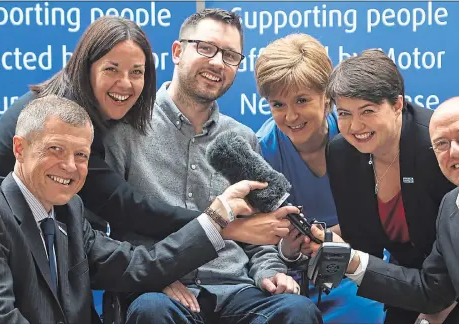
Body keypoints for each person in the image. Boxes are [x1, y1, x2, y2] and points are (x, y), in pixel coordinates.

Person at [0, 16, 288, 247]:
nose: (125, 84)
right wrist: (225, 223)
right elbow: (127, 207)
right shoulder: (65, 119)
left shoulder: (108, 116)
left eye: (136, 72)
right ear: (86, 67)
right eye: (111, 69)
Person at [104, 9, 322, 324]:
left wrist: (270, 273)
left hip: (237, 291)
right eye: (206, 48)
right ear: (177, 52)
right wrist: (149, 277)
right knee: (152, 312)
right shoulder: (125, 130)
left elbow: (260, 235)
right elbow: (104, 233)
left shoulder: (242, 138)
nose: (218, 62)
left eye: (231, 56)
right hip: (161, 291)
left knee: (298, 312)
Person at [0, 95, 280, 324]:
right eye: (55, 149)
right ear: (19, 148)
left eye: (81, 155)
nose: (69, 166)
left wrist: (217, 217)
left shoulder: (70, 212)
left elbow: (138, 265)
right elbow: (0, 317)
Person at [306, 96, 459, 324]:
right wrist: (351, 260)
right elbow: (431, 291)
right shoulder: (450, 207)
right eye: (442, 143)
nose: (455, 151)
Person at [323, 49, 459, 323]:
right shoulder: (342, 153)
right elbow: (364, 247)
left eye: (368, 111)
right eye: (344, 113)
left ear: (398, 104)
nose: (355, 126)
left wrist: (444, 305)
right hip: (409, 280)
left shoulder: (436, 146)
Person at [254, 33, 384, 323]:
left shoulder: (358, 137)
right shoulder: (262, 150)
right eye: (278, 104)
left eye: (301, 100)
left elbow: (384, 222)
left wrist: (332, 237)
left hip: (357, 268)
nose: (290, 116)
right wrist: (286, 250)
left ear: (327, 96)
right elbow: (256, 242)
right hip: (291, 281)